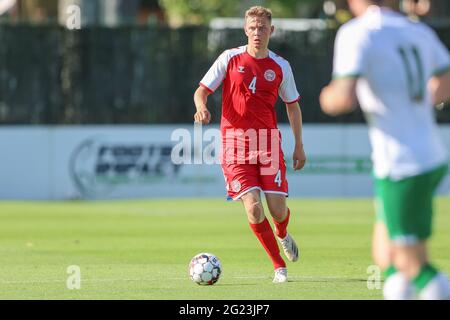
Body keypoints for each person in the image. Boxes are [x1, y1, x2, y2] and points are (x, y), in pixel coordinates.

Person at [320, 0, 450, 299]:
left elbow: (343, 98)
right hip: (426, 155)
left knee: (412, 262)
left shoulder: (358, 32)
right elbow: (445, 77)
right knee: (386, 255)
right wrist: (415, 103)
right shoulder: (415, 30)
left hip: (403, 165)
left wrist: (327, 97)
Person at [193, 6, 306, 283]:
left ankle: (282, 233)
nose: (257, 32)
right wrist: (201, 107)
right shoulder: (229, 58)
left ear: (272, 31)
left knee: (278, 210)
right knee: (254, 208)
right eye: (253, 27)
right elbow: (202, 90)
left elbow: (292, 107)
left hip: (268, 144)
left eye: (263, 27)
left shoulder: (281, 66)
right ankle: (279, 266)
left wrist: (299, 145)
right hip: (235, 145)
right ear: (246, 29)